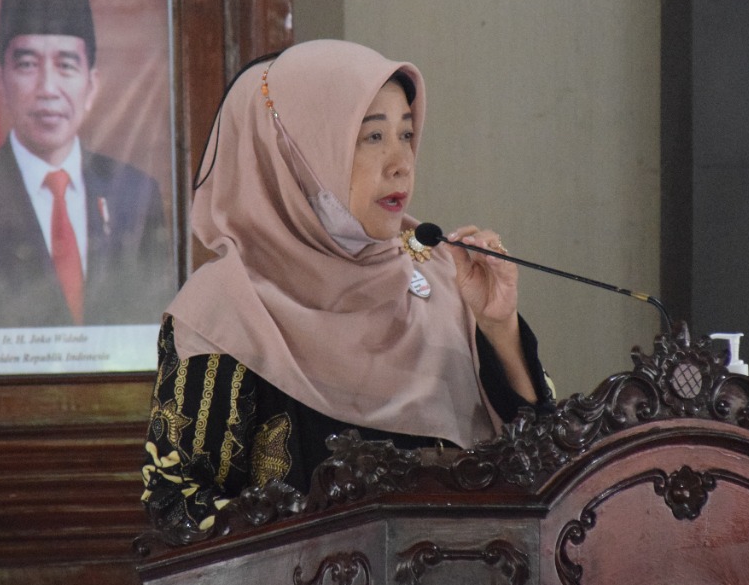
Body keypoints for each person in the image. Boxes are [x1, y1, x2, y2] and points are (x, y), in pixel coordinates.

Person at [141, 39, 551, 533]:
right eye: (372, 137)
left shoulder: (447, 278)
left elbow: (542, 466)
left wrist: (500, 328)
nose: (401, 162)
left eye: (407, 134)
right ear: (294, 156)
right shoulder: (227, 310)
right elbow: (177, 507)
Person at [0, 0, 173, 329]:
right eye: (28, 65)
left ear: (91, 86)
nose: (47, 88)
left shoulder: (135, 195)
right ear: (0, 79)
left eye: (66, 65)